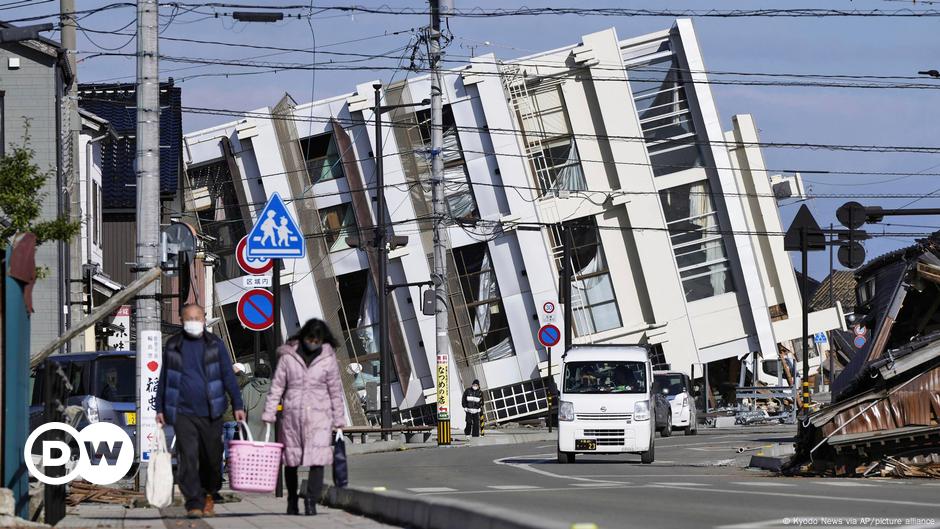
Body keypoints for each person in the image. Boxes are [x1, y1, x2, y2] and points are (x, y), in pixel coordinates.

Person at [155, 304, 245, 519]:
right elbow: (164, 378)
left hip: (212, 411)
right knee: (188, 458)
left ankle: (209, 494)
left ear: (204, 320)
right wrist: (159, 407)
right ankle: (194, 503)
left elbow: (228, 376)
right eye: (189, 318)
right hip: (182, 411)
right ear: (181, 320)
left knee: (212, 457)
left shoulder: (215, 344)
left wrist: (238, 404)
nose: (193, 321)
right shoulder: (173, 345)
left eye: (197, 317)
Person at [262, 319, 346, 516]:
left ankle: (311, 501)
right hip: (293, 415)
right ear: (303, 336)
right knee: (291, 460)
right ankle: (292, 500)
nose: (313, 342)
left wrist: (339, 418)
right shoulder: (288, 357)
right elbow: (277, 386)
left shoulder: (328, 358)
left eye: (317, 339)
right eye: (310, 338)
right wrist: (270, 412)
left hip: (319, 415)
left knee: (317, 461)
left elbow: (335, 390)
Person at [220, 363, 249, 479]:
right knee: (231, 443)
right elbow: (245, 378)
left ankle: (223, 468)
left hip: (221, 418)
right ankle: (230, 463)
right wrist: (237, 371)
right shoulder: (236, 384)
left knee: (222, 445)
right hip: (232, 418)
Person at [241, 362, 272, 440]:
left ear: (255, 374)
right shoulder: (275, 388)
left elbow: (242, 409)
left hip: (251, 435)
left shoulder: (246, 389)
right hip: (272, 433)